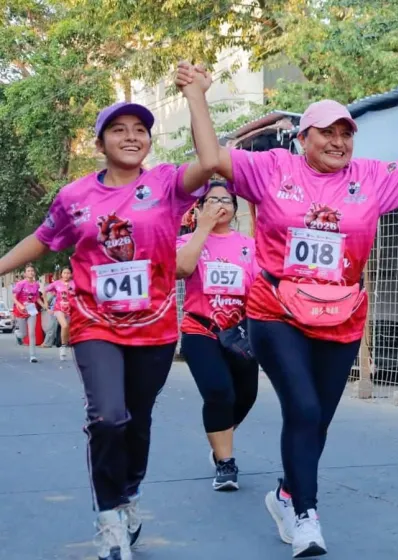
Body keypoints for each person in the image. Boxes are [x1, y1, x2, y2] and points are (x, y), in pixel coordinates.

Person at [180, 60, 398, 555]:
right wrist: (196, 94)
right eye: (328, 132)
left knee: (317, 417)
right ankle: (306, 515)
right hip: (275, 308)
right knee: (301, 406)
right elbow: (213, 157)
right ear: (303, 138)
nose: (339, 141)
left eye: (347, 133)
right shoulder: (272, 168)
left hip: (342, 311)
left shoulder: (370, 176)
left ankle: (285, 493)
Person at [0, 61, 219, 560]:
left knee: (136, 420)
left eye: (140, 130)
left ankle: (130, 494)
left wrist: (196, 97)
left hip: (156, 323)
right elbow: (42, 239)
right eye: (118, 130)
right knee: (108, 418)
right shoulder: (75, 196)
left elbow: (209, 164)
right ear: (100, 144)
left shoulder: (166, 184)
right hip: (95, 322)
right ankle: (108, 519)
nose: (131, 137)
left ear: (148, 141)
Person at [176, 180, 259, 492]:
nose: (219, 204)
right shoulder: (187, 242)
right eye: (211, 200)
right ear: (199, 207)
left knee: (245, 396)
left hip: (239, 332)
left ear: (235, 209)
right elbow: (180, 270)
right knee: (218, 392)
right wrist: (202, 229)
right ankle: (226, 463)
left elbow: (258, 289)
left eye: (226, 199)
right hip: (201, 330)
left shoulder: (248, 246)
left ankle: (219, 436)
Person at [13, 264, 43, 362]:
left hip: (31, 310)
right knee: (24, 334)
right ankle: (18, 334)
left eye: (32, 271)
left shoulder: (36, 284)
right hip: (20, 310)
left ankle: (33, 356)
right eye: (28, 271)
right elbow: (13, 297)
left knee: (31, 333)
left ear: (34, 273)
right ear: (25, 274)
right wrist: (20, 305)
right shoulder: (20, 284)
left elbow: (37, 297)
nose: (30, 272)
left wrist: (44, 306)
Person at [44, 266, 75, 360]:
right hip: (58, 309)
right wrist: (47, 306)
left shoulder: (74, 284)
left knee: (67, 329)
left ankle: (64, 345)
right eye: (64, 273)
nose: (66, 275)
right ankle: (63, 346)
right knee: (64, 325)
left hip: (70, 309)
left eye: (68, 273)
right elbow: (44, 291)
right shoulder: (56, 283)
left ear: (71, 274)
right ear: (61, 274)